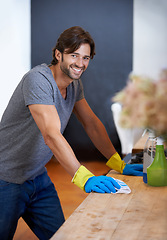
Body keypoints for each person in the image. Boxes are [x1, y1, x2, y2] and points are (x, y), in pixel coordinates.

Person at [0, 26, 143, 240]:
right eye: (74, 55)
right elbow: (51, 134)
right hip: (6, 179)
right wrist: (83, 177)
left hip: (37, 178)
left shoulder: (74, 84)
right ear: (58, 55)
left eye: (85, 57)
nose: (80, 63)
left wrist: (117, 162)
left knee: (62, 235)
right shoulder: (37, 80)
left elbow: (91, 123)